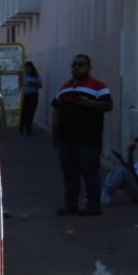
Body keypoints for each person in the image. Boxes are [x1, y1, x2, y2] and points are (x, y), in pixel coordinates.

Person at [51, 54, 113, 216]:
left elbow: (108, 105)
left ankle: (93, 205)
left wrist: (88, 103)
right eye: (74, 65)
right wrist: (54, 134)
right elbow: (56, 110)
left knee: (90, 173)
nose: (77, 67)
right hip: (66, 141)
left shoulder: (99, 86)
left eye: (81, 64)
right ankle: (70, 204)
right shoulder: (64, 88)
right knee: (69, 174)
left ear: (88, 67)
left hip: (88, 140)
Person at [101, 131, 138, 205]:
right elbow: (131, 171)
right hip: (137, 190)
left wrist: (130, 153)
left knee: (121, 171)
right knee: (116, 170)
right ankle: (102, 193)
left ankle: (105, 194)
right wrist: (120, 158)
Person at [19, 60, 41, 135]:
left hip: (33, 95)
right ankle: (22, 126)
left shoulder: (36, 76)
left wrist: (33, 84)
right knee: (24, 112)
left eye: (29, 68)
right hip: (25, 95)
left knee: (31, 112)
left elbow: (40, 85)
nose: (28, 70)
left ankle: (29, 128)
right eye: (26, 68)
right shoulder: (22, 75)